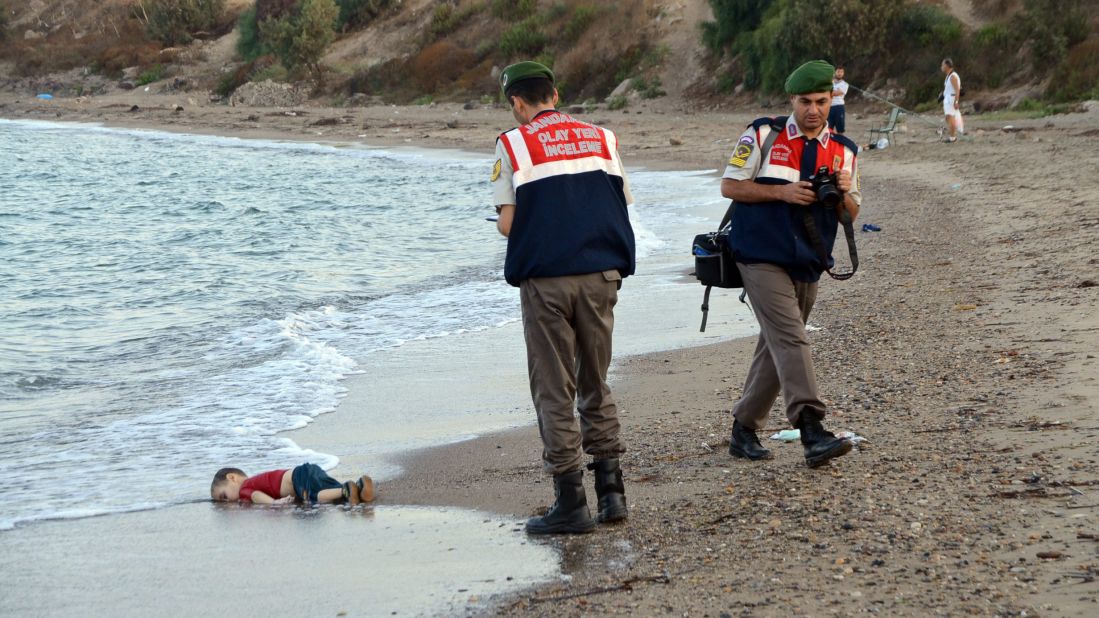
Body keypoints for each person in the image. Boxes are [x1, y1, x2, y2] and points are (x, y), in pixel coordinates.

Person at [491, 61, 635, 534]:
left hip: (548, 281)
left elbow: (510, 225)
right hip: (601, 275)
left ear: (517, 102)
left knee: (555, 388)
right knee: (596, 379)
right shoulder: (603, 137)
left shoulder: (512, 143)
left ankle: (571, 502)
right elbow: (620, 202)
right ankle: (612, 494)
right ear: (555, 93)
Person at [720, 59, 860, 468]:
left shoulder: (844, 150)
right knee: (792, 337)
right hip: (758, 253)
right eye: (804, 101)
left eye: (820, 101)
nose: (813, 109)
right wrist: (781, 193)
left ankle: (743, 429)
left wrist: (845, 193)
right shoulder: (764, 132)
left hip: (808, 259)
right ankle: (812, 428)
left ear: (832, 99)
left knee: (777, 344)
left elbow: (849, 214)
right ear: (791, 100)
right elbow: (730, 185)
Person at [210, 463, 375, 505]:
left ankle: (345, 490)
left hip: (298, 477)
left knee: (314, 497)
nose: (227, 502)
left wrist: (274, 503)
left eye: (223, 496)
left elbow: (256, 496)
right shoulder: (256, 480)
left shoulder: (245, 488)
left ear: (232, 478)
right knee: (330, 490)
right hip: (306, 470)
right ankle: (358, 487)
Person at [942, 58, 962, 142]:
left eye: (942, 65)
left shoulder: (953, 76)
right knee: (948, 117)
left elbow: (957, 89)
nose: (942, 67)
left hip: (951, 99)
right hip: (948, 98)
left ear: (946, 66)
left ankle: (952, 137)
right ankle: (952, 134)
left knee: (950, 117)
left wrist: (956, 101)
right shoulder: (949, 76)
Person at [828, 65, 848, 135]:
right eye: (838, 71)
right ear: (835, 72)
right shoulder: (829, 83)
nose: (840, 73)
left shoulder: (845, 84)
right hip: (829, 107)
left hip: (839, 107)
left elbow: (834, 93)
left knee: (840, 130)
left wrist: (830, 91)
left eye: (842, 72)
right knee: (828, 129)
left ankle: (840, 145)